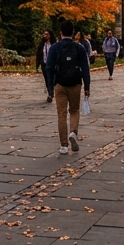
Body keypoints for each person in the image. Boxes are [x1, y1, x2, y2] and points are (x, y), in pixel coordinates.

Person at [45, 21, 91, 154]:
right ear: (73, 33)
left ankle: (64, 145)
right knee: (74, 110)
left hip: (60, 84)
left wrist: (51, 85)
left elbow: (49, 67)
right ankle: (73, 132)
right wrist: (87, 86)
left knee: (61, 113)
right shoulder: (79, 48)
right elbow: (85, 68)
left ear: (60, 32)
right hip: (75, 83)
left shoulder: (55, 48)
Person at [35, 29, 56, 101]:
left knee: (52, 79)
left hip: (52, 64)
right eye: (44, 34)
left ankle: (51, 92)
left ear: (50, 35)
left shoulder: (54, 44)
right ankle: (50, 93)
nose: (45, 36)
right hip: (44, 64)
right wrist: (37, 65)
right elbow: (38, 54)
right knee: (47, 79)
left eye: (47, 34)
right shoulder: (42, 44)